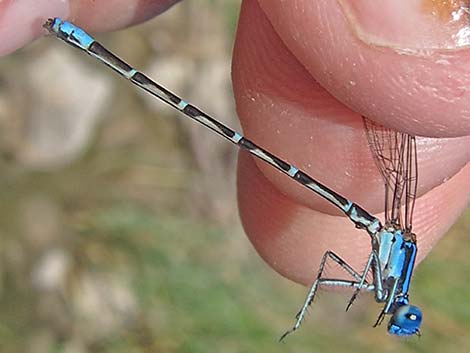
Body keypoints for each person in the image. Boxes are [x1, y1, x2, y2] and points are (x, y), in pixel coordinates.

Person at [1, 0, 469, 286]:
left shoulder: (385, 268)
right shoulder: (393, 250)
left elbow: (332, 263)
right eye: (406, 315)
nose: (402, 318)